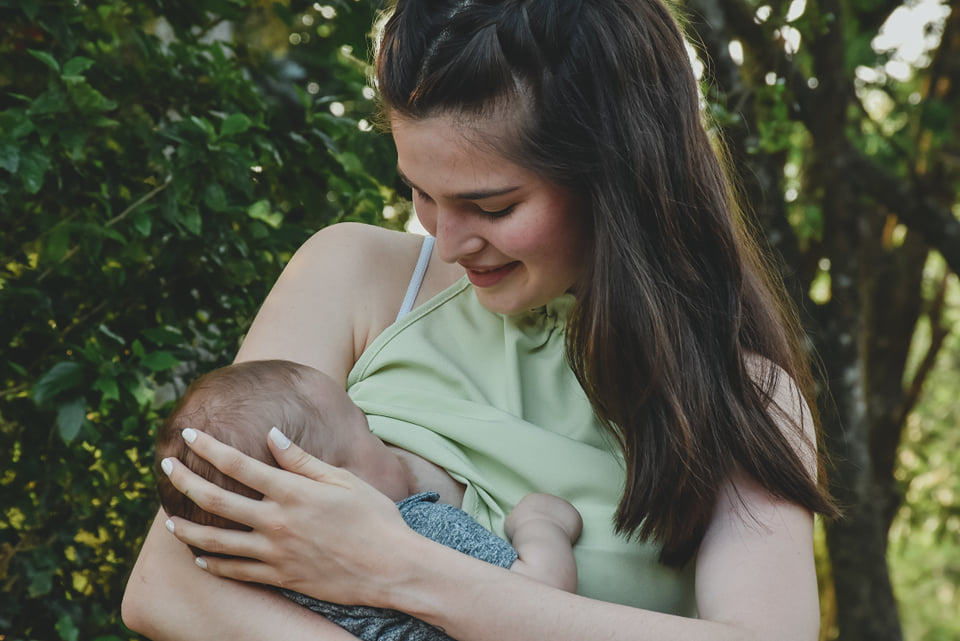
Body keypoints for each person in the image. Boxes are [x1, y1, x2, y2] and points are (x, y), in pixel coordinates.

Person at [122, 0, 839, 639]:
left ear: (614, 178)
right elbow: (168, 585)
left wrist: (396, 569)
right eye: (420, 192)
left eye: (493, 207)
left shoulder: (746, 399)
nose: (448, 239)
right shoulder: (353, 276)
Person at [154, 358, 581, 641]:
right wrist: (541, 524)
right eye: (368, 432)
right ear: (339, 486)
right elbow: (540, 602)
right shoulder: (417, 530)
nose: (389, 444)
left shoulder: (265, 592)